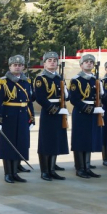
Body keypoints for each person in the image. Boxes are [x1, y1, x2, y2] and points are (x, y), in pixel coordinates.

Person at [0, 55, 35, 183]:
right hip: (8, 116)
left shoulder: (26, 81)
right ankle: (8, 173)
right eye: (15, 65)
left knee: (20, 144)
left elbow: (29, 102)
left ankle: (15, 172)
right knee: (8, 145)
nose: (17, 67)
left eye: (20, 65)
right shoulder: (3, 82)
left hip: (22, 116)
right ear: (10, 67)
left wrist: (32, 118)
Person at [34, 52, 69, 181]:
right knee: (46, 141)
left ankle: (52, 169)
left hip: (60, 111)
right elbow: (40, 98)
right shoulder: (41, 78)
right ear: (44, 63)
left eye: (55, 60)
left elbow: (66, 96)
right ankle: (45, 171)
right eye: (50, 60)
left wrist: (66, 93)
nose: (53, 62)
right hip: (49, 112)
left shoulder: (59, 78)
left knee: (56, 141)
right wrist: (54, 110)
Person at [68, 54, 104, 178]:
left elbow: (99, 96)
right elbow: (74, 99)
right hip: (81, 113)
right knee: (80, 140)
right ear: (81, 64)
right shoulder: (76, 80)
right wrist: (89, 109)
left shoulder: (95, 80)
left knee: (90, 140)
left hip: (94, 112)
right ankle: (80, 168)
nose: (89, 64)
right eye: (86, 62)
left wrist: (99, 106)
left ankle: (87, 167)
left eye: (91, 62)